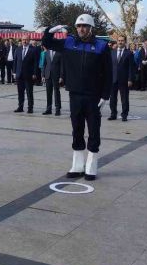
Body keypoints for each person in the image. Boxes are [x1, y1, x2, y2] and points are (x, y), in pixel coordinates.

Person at [43, 14, 112, 181]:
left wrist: (105, 95)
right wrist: (50, 31)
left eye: (84, 26)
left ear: (91, 28)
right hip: (75, 94)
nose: (81, 29)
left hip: (94, 96)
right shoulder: (69, 42)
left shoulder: (102, 46)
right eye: (79, 26)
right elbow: (47, 43)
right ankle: (77, 165)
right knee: (77, 129)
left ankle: (91, 166)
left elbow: (108, 73)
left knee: (94, 130)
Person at [109, 35, 135, 122]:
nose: (120, 42)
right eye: (119, 40)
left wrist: (130, 79)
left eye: (122, 40)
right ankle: (113, 114)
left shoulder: (129, 53)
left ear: (125, 42)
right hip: (113, 79)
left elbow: (131, 67)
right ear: (117, 41)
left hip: (124, 80)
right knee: (113, 98)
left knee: (124, 98)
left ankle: (124, 115)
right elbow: (109, 66)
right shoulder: (112, 52)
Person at [12, 36, 39, 114]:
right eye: (23, 40)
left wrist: (34, 73)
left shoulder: (33, 50)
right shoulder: (18, 49)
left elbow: (35, 63)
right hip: (19, 74)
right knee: (20, 92)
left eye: (26, 40)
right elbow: (15, 61)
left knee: (29, 92)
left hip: (29, 75)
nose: (24, 41)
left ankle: (30, 108)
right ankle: (20, 107)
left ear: (29, 40)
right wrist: (14, 72)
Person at [41, 44, 62, 116]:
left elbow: (62, 65)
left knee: (56, 92)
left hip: (56, 75)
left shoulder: (59, 53)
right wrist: (43, 75)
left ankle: (57, 109)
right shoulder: (46, 52)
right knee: (48, 92)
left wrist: (61, 76)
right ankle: (48, 109)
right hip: (48, 75)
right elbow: (44, 64)